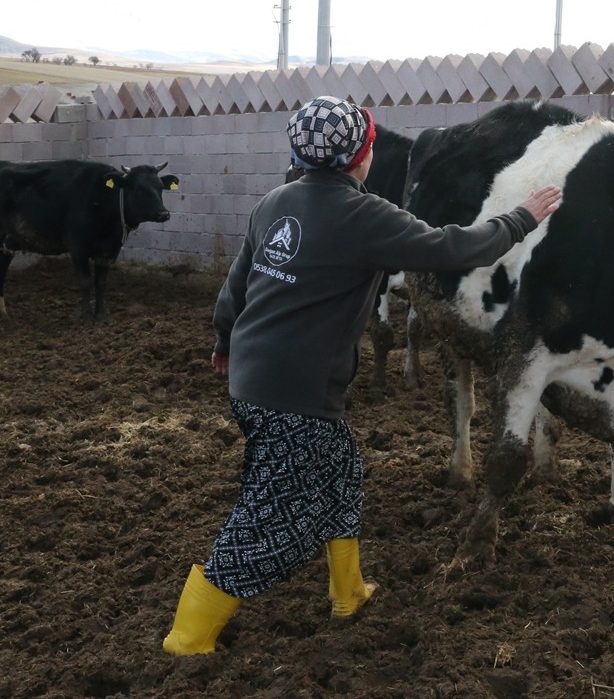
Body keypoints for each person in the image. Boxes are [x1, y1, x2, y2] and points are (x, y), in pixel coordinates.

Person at [162, 96, 562, 656]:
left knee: (340, 472)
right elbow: (454, 248)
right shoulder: (364, 215)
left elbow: (237, 283)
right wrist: (521, 218)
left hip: (254, 376)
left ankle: (348, 592)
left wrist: (225, 342)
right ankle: (188, 637)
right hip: (296, 391)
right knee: (271, 519)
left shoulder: (275, 202)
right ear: (363, 154)